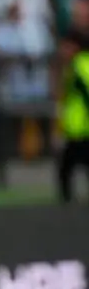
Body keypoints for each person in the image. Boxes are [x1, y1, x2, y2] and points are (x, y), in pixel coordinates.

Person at [57, 32, 89, 203]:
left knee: (66, 166)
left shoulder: (79, 65)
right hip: (79, 126)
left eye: (66, 46)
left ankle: (66, 201)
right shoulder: (82, 63)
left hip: (81, 127)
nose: (63, 50)